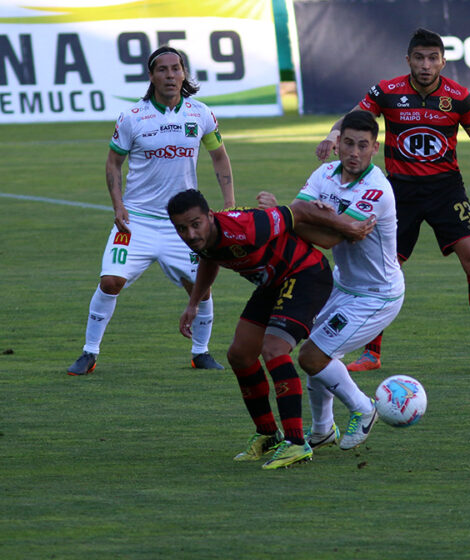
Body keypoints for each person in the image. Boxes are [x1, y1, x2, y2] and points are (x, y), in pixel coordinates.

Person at [315, 27, 470, 371]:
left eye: (433, 58)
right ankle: (371, 352)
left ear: (443, 61)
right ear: (408, 60)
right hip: (400, 193)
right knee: (383, 270)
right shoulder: (388, 92)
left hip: (446, 190)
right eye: (419, 57)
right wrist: (333, 133)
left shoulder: (459, 97)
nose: (426, 65)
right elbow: (356, 117)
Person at [167, 188, 376, 469]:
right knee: (239, 354)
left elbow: (299, 211)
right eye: (182, 228)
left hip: (305, 274)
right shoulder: (202, 239)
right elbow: (209, 257)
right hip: (273, 284)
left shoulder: (245, 227)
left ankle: (296, 442)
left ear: (210, 217)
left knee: (274, 349)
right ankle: (268, 435)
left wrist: (347, 226)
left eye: (195, 224)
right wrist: (193, 304)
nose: (190, 234)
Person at [67, 45, 234, 375]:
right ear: (151, 76)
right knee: (111, 281)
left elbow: (219, 157)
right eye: (162, 69)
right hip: (137, 220)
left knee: (200, 287)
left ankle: (200, 352)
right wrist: (118, 206)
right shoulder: (132, 117)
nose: (170, 75)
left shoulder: (200, 113)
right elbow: (114, 163)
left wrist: (229, 205)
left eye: (176, 68)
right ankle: (89, 352)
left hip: (183, 226)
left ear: (184, 74)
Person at [258, 110, 404, 451]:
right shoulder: (325, 172)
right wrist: (309, 215)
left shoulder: (377, 190)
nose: (354, 152)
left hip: (376, 295)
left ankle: (364, 408)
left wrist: (282, 214)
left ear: (375, 148)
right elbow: (300, 210)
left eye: (363, 146)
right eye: (348, 143)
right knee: (316, 352)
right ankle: (322, 430)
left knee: (312, 356)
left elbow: (327, 240)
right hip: (342, 284)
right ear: (337, 144)